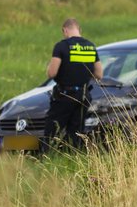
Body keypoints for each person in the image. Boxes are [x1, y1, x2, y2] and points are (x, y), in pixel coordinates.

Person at [43, 17, 102, 152]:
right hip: (83, 96)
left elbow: (52, 73)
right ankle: (74, 157)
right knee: (76, 132)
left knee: (52, 129)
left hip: (64, 95)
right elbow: (99, 74)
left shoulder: (61, 46)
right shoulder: (90, 46)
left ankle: (46, 157)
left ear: (65, 30)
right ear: (79, 29)